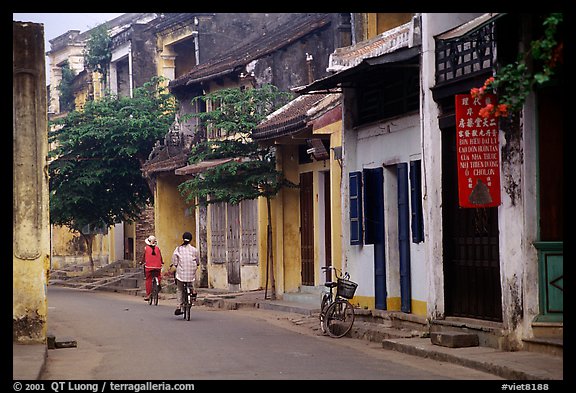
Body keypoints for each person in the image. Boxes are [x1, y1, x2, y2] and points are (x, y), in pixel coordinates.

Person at [171, 232, 199, 315]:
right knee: (192, 279)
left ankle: (179, 306)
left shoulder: (178, 249)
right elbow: (197, 261)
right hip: (191, 272)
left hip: (181, 273)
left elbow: (175, 261)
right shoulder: (194, 250)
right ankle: (193, 291)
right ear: (191, 240)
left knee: (179, 289)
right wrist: (197, 264)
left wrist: (176, 265)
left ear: (183, 239)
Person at [140, 235, 164, 301]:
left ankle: (148, 295)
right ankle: (158, 284)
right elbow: (160, 257)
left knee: (148, 279)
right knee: (158, 276)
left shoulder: (146, 248)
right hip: (158, 267)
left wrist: (141, 262)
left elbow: (143, 257)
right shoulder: (158, 248)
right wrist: (162, 262)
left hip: (149, 267)